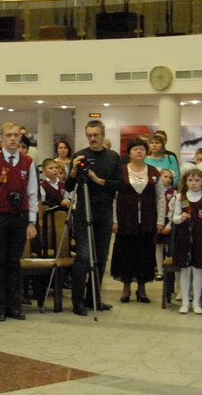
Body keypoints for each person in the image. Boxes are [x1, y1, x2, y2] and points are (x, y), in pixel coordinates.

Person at [0, 122, 35, 322]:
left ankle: (14, 306)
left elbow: (32, 193)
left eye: (16, 135)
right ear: (1, 138)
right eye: (8, 135)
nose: (12, 138)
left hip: (20, 217)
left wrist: (32, 222)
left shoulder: (28, 162)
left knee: (14, 263)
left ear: (20, 138)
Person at [66, 120, 123, 315]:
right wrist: (74, 171)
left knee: (101, 256)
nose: (92, 138)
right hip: (84, 209)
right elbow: (68, 187)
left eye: (95, 135)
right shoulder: (80, 155)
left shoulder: (113, 157)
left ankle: (94, 298)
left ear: (103, 134)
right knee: (83, 256)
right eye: (89, 135)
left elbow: (120, 185)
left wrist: (98, 180)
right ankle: (77, 300)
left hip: (105, 209)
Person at [110, 137, 162, 307]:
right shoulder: (121, 171)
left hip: (147, 220)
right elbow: (114, 197)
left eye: (142, 149)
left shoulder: (154, 171)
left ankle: (142, 288)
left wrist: (160, 220)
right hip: (126, 220)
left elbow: (160, 198)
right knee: (126, 253)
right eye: (135, 149)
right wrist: (114, 220)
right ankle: (126, 287)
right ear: (129, 153)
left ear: (146, 152)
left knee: (145, 253)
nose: (139, 151)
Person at [167, 163, 202, 314]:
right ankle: (185, 301)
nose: (193, 183)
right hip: (184, 238)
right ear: (185, 182)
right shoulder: (181, 197)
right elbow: (174, 219)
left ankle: (196, 302)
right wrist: (181, 217)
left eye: (197, 180)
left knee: (197, 270)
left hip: (200, 238)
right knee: (185, 270)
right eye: (190, 180)